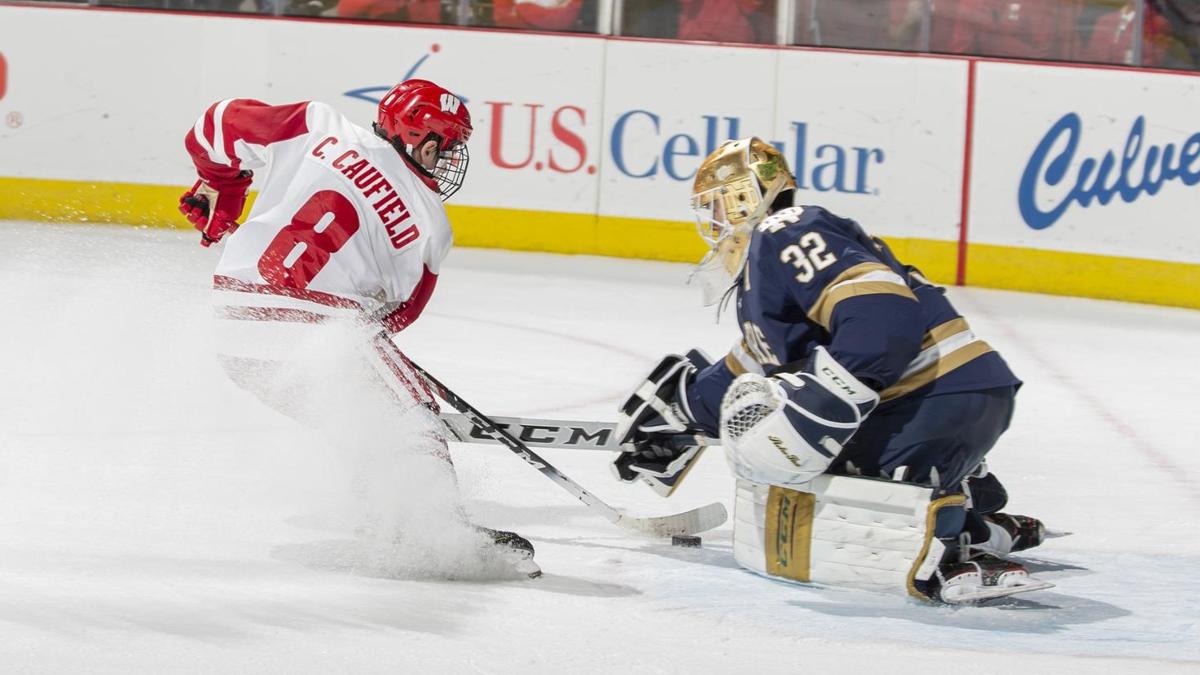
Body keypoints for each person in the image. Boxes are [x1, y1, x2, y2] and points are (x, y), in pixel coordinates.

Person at [613, 138, 1047, 603]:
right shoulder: (768, 266)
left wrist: (826, 401)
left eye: (716, 205)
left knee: (808, 493)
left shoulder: (787, 229)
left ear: (743, 196)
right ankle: (980, 516)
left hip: (932, 398)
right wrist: (684, 414)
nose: (713, 220)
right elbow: (757, 364)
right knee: (795, 476)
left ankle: (955, 543)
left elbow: (883, 320)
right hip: (953, 397)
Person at [177, 79, 539, 578]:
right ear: (423, 141)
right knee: (411, 410)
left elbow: (213, 125)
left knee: (356, 413)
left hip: (234, 329)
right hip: (309, 325)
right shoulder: (432, 222)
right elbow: (398, 316)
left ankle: (384, 507)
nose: (451, 158)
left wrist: (224, 187)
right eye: (449, 146)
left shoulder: (317, 124)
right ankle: (442, 536)